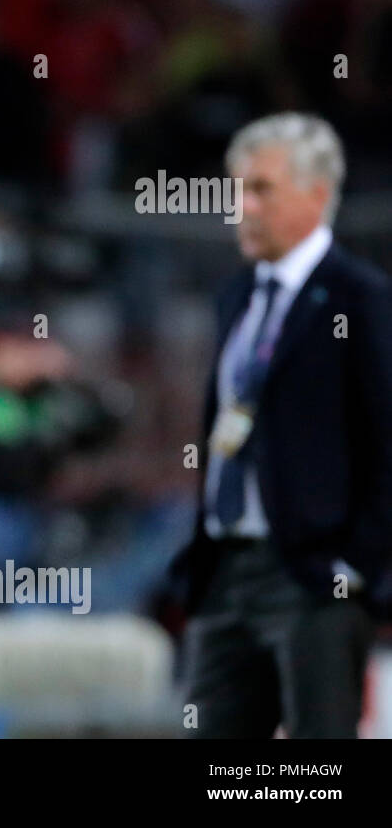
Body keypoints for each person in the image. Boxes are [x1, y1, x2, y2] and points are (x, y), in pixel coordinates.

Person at [169, 113, 392, 738]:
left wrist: (356, 566)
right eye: (236, 188)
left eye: (260, 188)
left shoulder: (360, 297)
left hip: (313, 574)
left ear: (317, 194)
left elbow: (386, 441)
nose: (241, 206)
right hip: (228, 567)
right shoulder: (237, 295)